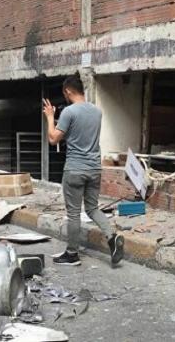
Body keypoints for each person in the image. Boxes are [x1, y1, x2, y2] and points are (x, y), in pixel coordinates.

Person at [43, 74, 124, 267]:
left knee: (73, 213)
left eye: (65, 94)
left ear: (68, 91)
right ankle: (112, 238)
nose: (65, 97)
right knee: (92, 208)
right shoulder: (97, 112)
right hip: (94, 168)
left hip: (75, 169)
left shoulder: (69, 112)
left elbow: (53, 139)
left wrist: (50, 117)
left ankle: (72, 254)